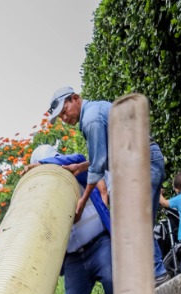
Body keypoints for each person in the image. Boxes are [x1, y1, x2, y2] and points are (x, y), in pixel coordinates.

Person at [48, 86, 169, 283]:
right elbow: (107, 154)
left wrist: (82, 201)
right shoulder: (96, 110)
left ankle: (156, 274)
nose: (64, 118)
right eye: (60, 116)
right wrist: (81, 165)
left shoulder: (91, 120)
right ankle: (158, 274)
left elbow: (97, 168)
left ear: (75, 98)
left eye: (64, 111)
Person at [30, 142, 114, 294]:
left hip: (99, 244)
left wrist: (46, 164)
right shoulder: (39, 198)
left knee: (114, 282)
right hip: (73, 259)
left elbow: (79, 160)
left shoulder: (76, 173)